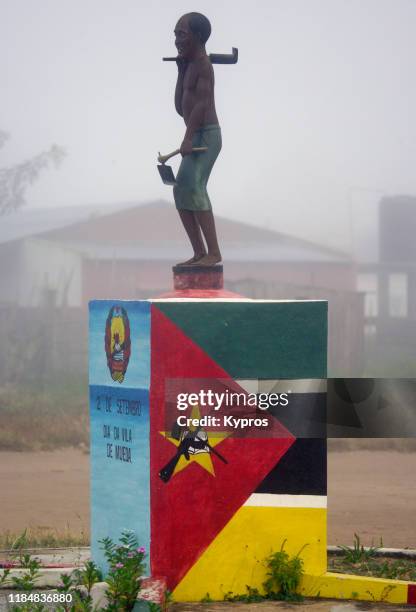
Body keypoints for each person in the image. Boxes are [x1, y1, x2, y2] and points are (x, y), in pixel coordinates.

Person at [173, 12, 222, 266]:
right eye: (176, 35)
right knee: (180, 188)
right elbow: (180, 107)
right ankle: (199, 252)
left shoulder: (203, 65)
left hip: (207, 135)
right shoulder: (190, 65)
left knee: (195, 186)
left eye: (182, 34)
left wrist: (188, 137)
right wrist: (180, 72)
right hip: (193, 135)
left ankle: (213, 253)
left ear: (198, 37)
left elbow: (201, 107)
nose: (177, 40)